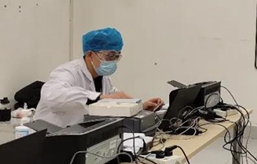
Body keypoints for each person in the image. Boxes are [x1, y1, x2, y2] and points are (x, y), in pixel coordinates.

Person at [35, 27, 163, 128]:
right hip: (50, 135)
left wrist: (140, 106)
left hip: (78, 134)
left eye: (117, 56)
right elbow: (52, 95)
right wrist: (100, 97)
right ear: (90, 55)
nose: (113, 61)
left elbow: (114, 101)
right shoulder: (68, 71)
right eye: (110, 56)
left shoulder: (103, 78)